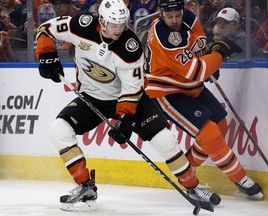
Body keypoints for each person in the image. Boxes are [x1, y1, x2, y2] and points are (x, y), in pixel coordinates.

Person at [35, 0, 222, 210]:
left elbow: (132, 89)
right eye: (114, 24)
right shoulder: (81, 25)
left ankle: (192, 186)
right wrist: (46, 55)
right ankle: (85, 186)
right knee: (58, 130)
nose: (119, 29)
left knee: (164, 140)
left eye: (123, 24)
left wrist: (125, 118)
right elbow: (46, 29)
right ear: (102, 21)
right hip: (92, 97)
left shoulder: (130, 47)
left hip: (130, 99)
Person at [144, 0, 264, 201]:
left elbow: (197, 48)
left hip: (191, 86)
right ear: (160, 14)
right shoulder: (165, 37)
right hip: (168, 90)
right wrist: (218, 55)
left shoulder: (190, 18)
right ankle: (240, 178)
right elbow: (194, 71)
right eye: (169, 16)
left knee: (220, 125)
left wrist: (210, 52)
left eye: (177, 15)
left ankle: (187, 169)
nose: (174, 20)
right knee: (209, 134)